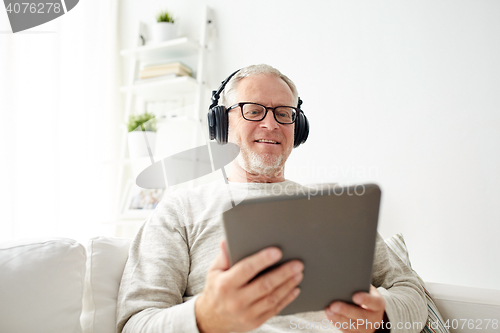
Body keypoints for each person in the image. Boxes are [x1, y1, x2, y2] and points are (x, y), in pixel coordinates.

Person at [116, 64, 428, 333]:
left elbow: (409, 288)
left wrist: (383, 316)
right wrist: (206, 317)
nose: (271, 124)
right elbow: (136, 323)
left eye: (284, 113)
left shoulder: (335, 206)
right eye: (253, 111)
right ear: (221, 123)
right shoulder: (180, 210)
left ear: (298, 128)